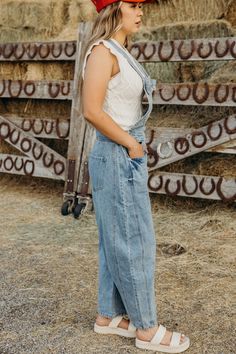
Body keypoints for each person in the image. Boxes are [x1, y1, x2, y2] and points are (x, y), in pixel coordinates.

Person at [81, 1, 190, 352]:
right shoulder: (102, 53)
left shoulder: (119, 50)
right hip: (117, 153)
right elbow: (91, 111)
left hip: (121, 153)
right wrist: (132, 144)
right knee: (135, 240)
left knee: (115, 236)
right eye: (134, 5)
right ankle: (146, 328)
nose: (141, 11)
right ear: (113, 10)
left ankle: (109, 315)